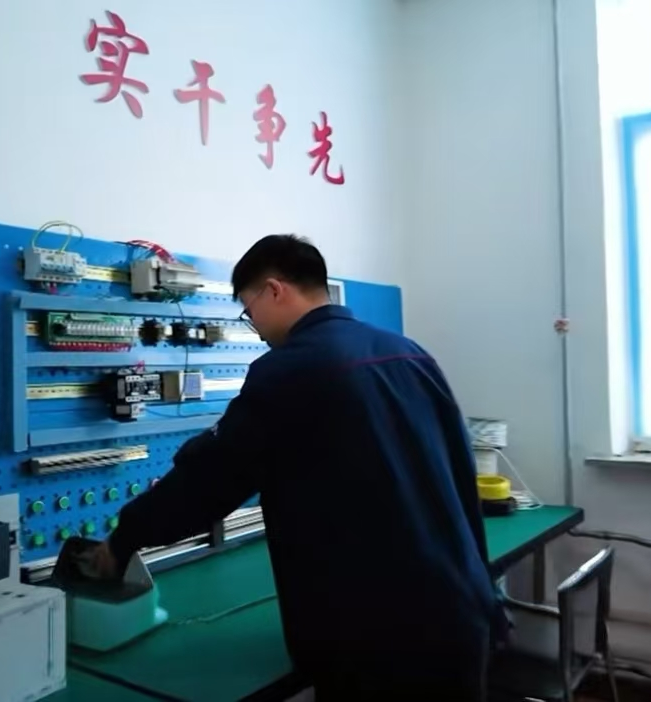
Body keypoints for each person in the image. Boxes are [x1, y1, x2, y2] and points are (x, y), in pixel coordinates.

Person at [85, 234, 500, 700]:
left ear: (274, 290)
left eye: (249, 310)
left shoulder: (291, 370)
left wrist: (125, 537)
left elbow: (208, 481)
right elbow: (460, 473)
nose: (255, 328)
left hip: (379, 643)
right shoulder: (409, 352)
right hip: (459, 613)